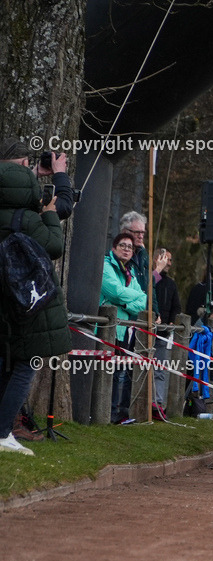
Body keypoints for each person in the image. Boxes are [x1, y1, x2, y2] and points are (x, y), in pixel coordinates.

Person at [0, 160, 72, 453]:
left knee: (6, 365)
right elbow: (54, 246)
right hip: (26, 303)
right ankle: (3, 433)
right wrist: (51, 214)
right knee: (25, 366)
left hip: (3, 303)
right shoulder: (28, 219)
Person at [100, 232, 149, 424]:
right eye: (123, 245)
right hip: (105, 329)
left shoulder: (130, 272)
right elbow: (115, 292)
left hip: (122, 330)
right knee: (103, 371)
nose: (127, 249)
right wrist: (129, 298)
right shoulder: (106, 266)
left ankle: (115, 414)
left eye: (130, 247)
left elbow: (143, 299)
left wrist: (126, 304)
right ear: (114, 248)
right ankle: (102, 414)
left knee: (119, 373)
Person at [0, 138, 74, 220]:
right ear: (25, 163)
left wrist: (34, 173)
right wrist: (60, 173)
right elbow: (64, 208)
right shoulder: (30, 195)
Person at [152, 248, 182, 410]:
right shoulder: (151, 278)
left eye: (170, 260)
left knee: (160, 369)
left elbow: (176, 306)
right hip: (145, 331)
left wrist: (171, 321)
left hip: (162, 333)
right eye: (166, 259)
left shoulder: (171, 284)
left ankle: (157, 402)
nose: (169, 263)